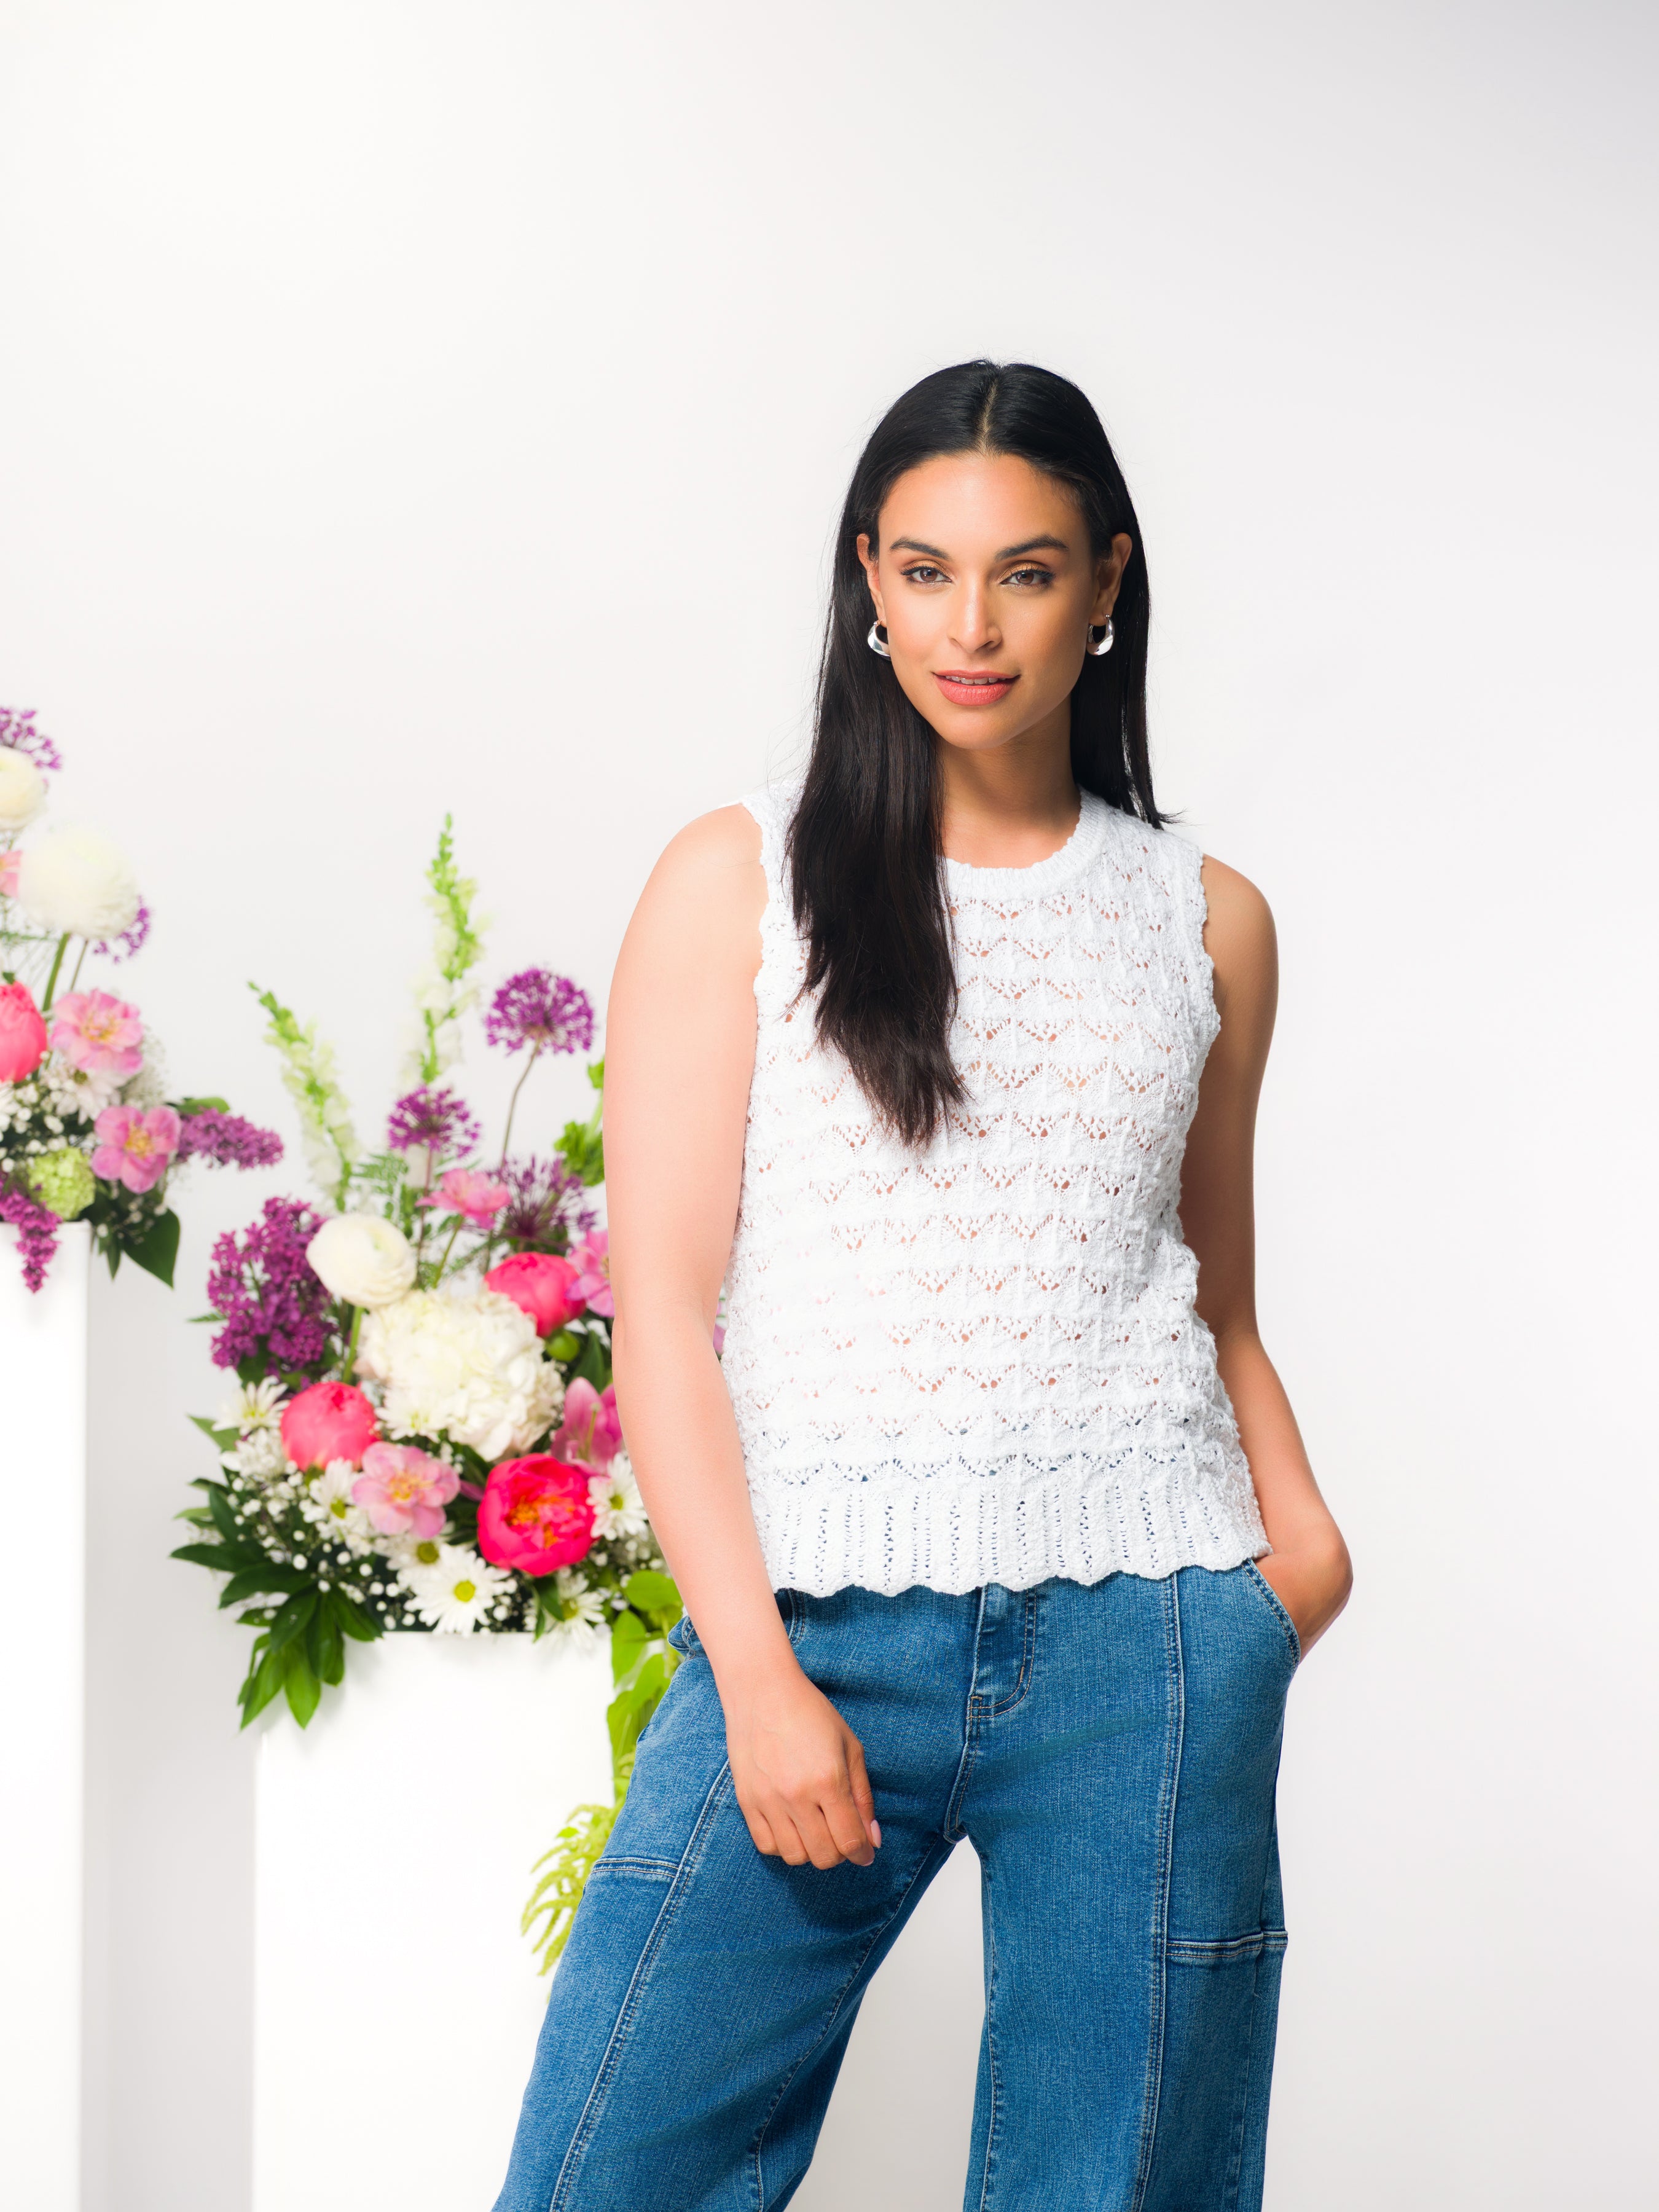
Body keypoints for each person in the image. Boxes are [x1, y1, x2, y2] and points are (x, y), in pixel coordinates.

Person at [493, 359, 1352, 2211]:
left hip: (1150, 1639)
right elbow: (661, 1308)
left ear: (1107, 585)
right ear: (865, 587)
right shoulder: (742, 877)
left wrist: (1294, 1571)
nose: (972, 624)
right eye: (925, 570)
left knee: (1111, 2187)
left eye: (1027, 572)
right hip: (813, 1632)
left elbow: (1210, 1297)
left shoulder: (1209, 917)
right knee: (608, 2174)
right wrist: (752, 1673)